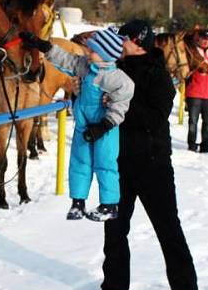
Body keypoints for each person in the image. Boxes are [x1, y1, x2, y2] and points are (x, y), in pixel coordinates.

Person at [88, 19, 202, 290]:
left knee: (169, 233)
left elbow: (155, 116)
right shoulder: (114, 71)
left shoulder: (158, 75)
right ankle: (113, 288)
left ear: (137, 41)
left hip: (153, 166)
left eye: (122, 38)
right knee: (114, 230)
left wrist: (118, 105)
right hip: (118, 164)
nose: (118, 43)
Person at [20, 28, 134, 221]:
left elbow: (121, 102)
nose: (88, 53)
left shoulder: (116, 78)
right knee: (79, 164)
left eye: (93, 50)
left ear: (106, 54)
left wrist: (104, 125)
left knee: (105, 164)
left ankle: (109, 204)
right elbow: (66, 59)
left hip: (105, 130)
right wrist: (43, 46)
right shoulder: (85, 67)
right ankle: (78, 202)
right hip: (83, 126)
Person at [185, 29, 208, 154]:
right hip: (194, 92)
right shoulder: (192, 52)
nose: (206, 42)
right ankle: (191, 145)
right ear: (198, 39)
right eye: (204, 39)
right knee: (193, 121)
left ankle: (206, 145)